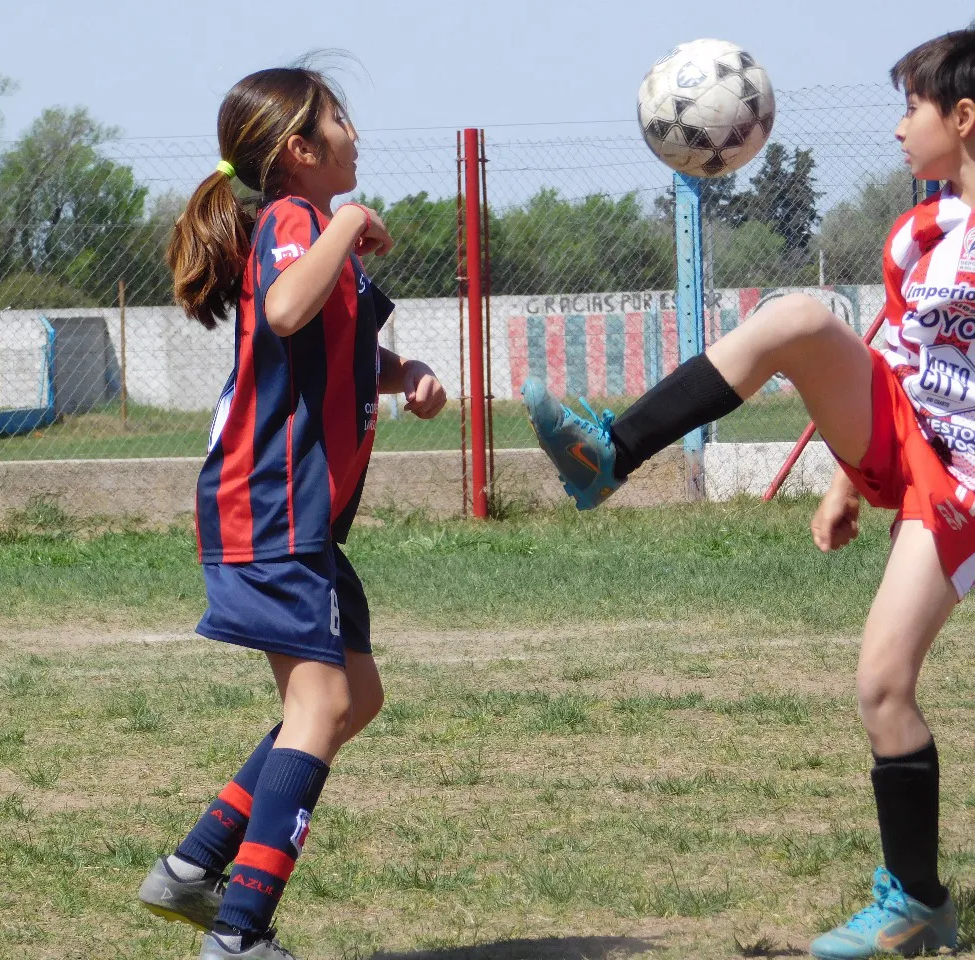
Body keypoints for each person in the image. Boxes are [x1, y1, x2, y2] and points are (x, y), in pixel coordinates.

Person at [521, 27, 974, 960]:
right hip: (906, 438)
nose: (898, 128)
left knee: (883, 688)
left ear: (963, 118)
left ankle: (918, 901)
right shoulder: (925, 229)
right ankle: (610, 453)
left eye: (911, 107)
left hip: (963, 477)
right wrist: (852, 477)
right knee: (798, 317)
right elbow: (895, 357)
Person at [135, 65, 446, 960]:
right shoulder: (292, 222)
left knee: (354, 698)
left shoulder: (319, 235)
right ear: (300, 151)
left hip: (302, 517)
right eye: (342, 119)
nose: (358, 131)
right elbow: (282, 309)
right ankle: (239, 934)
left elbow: (342, 347)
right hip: (267, 508)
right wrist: (349, 221)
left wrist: (405, 374)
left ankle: (195, 869)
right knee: (321, 704)